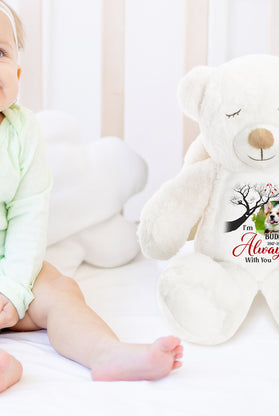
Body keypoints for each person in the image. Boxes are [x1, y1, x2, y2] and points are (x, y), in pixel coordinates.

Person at [0, 1, 182, 393]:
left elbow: (29, 214)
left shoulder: (22, 131)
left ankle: (106, 353)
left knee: (61, 290)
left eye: (0, 52)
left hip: (10, 266)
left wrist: (13, 287)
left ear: (17, 72)